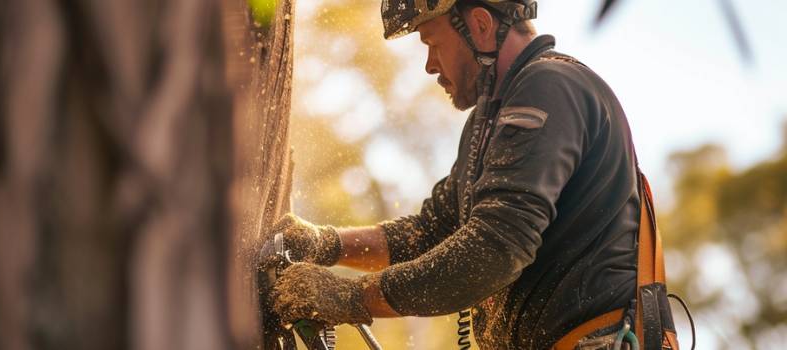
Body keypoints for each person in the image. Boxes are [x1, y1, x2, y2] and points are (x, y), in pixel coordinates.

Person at [265, 1, 679, 348]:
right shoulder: (491, 120)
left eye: (431, 42)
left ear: (480, 25)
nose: (429, 64)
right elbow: (429, 233)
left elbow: (494, 249)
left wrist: (351, 296)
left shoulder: (550, 87)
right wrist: (326, 244)